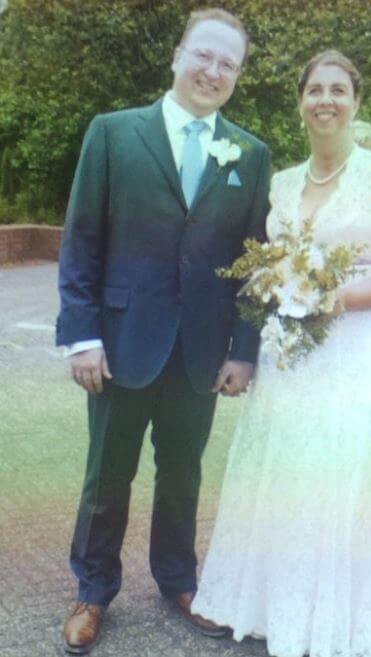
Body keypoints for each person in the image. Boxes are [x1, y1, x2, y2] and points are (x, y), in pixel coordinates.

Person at [191, 50, 371, 657]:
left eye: (337, 90)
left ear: (355, 101)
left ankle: (335, 621)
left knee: (337, 473)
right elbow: (267, 264)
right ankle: (278, 606)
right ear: (300, 102)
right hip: (288, 356)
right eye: (314, 90)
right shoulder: (283, 183)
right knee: (287, 472)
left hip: (351, 351)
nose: (325, 100)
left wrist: (337, 299)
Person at [56, 8, 271, 654]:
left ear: (237, 75)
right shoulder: (113, 133)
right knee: (107, 474)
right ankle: (93, 589)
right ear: (177, 55)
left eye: (227, 63)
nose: (212, 71)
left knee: (183, 472)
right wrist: (82, 335)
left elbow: (257, 263)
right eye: (203, 55)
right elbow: (81, 242)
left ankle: (179, 579)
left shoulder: (251, 154)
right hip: (121, 344)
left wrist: (244, 348)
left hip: (201, 350)